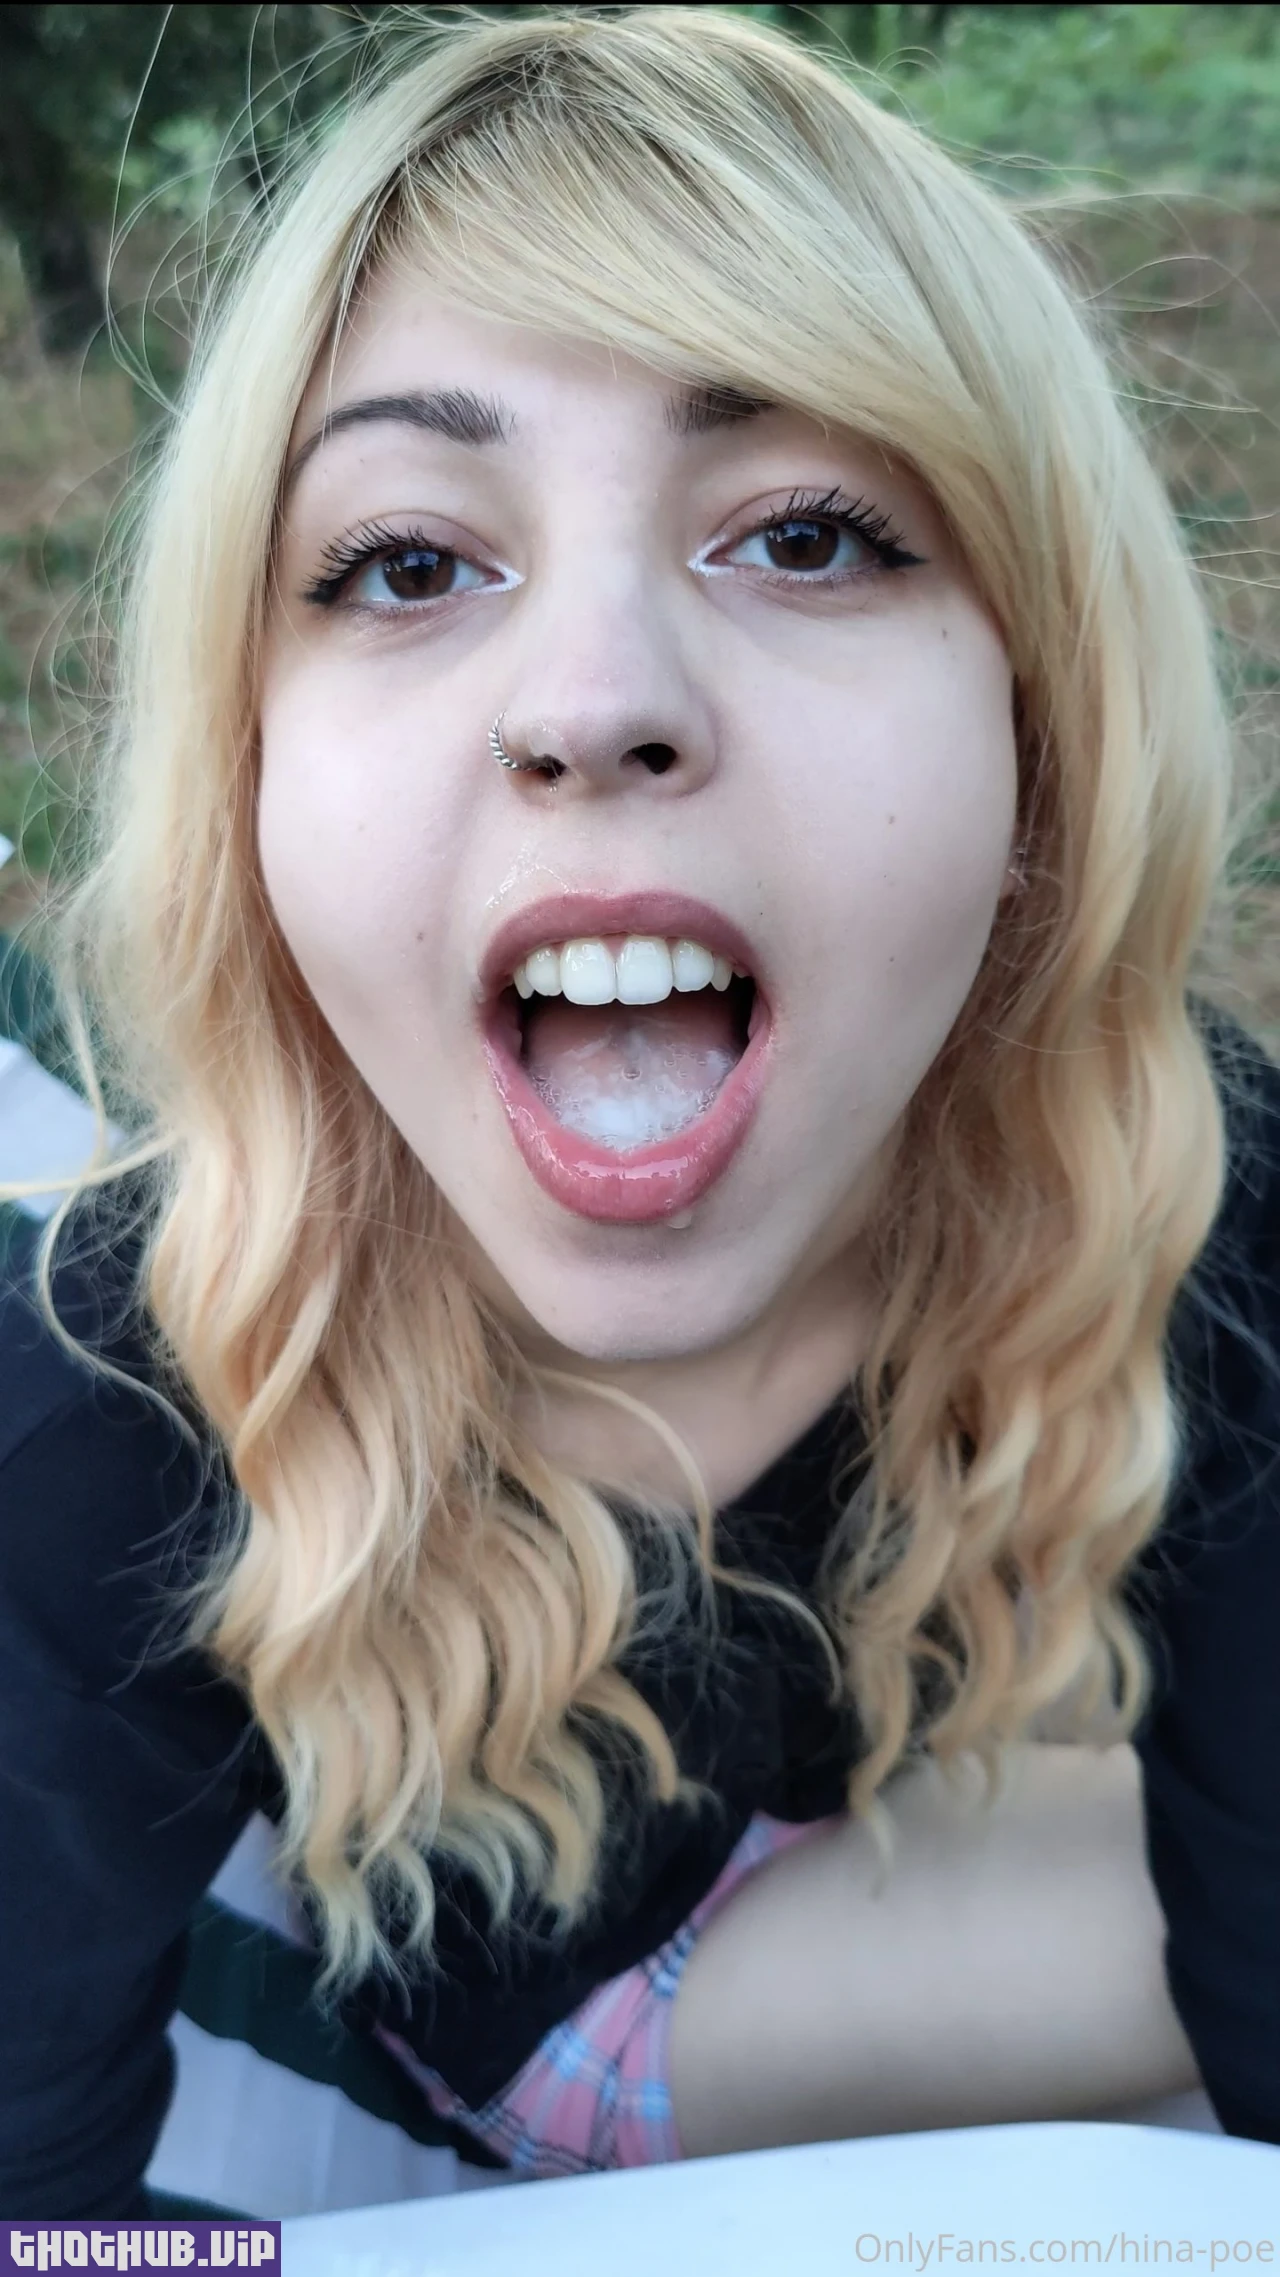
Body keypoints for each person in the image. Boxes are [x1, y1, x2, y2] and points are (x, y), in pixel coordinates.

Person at [1, 2, 1276, 2222]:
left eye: (807, 537)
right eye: (409, 561)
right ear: (251, 782)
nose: (594, 702)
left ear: (1039, 736)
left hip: (922, 1776)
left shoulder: (1193, 1202)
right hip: (590, 2000)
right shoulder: (97, 1405)